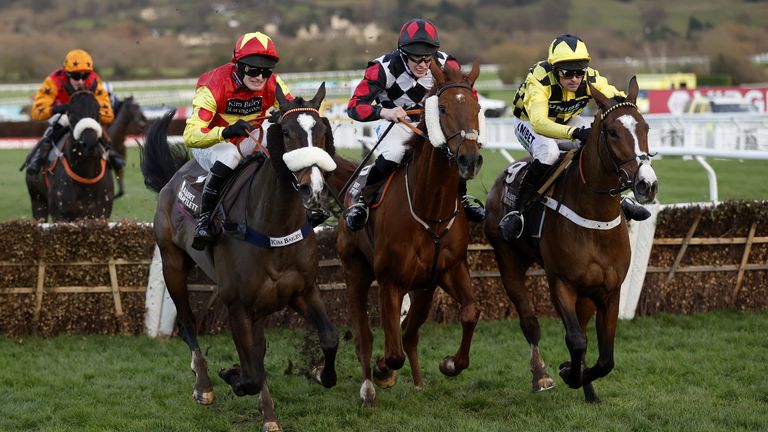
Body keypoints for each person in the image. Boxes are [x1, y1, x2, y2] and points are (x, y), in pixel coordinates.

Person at [498, 34, 651, 241]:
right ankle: (517, 212)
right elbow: (539, 122)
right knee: (549, 153)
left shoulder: (591, 78)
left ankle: (619, 198)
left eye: (579, 73)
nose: (574, 79)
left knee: (601, 142)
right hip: (529, 122)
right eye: (568, 73)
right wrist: (575, 133)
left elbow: (614, 99)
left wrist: (628, 108)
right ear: (554, 69)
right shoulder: (539, 79)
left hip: (566, 120)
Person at [344, 18, 486, 232]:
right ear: (403, 53)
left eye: (428, 58)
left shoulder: (448, 63)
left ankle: (462, 198)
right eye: (416, 59)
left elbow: (466, 93)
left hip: (432, 124)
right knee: (395, 153)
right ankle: (364, 202)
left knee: (454, 150)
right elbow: (355, 106)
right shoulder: (382, 68)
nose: (422, 64)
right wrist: (385, 111)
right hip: (396, 123)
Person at [184, 32, 294, 250]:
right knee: (229, 154)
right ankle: (204, 222)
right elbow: (190, 136)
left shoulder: (274, 83)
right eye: (253, 69)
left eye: (266, 71)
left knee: (281, 136)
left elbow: (293, 111)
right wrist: (224, 133)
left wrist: (282, 116)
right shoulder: (212, 84)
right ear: (238, 65)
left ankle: (306, 202)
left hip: (248, 137)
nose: (260, 77)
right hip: (211, 144)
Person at [25, 49, 115, 174]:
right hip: (61, 114)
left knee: (100, 133)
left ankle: (112, 157)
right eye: (76, 76)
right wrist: (56, 109)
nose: (81, 81)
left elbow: (108, 115)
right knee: (55, 129)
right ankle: (39, 159)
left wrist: (91, 115)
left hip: (86, 117)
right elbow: (36, 112)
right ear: (66, 74)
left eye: (85, 76)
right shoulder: (53, 81)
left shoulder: (94, 80)